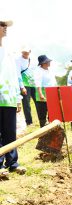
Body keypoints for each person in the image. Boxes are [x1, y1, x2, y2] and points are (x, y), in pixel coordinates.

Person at [0, 17, 26, 178]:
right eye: (2, 25)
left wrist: (17, 98)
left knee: (10, 132)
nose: (5, 28)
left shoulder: (9, 51)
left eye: (5, 26)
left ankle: (12, 162)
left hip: (8, 98)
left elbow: (14, 75)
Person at [15, 45, 36, 126]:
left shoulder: (32, 59)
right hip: (25, 84)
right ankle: (29, 122)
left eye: (27, 52)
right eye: (24, 52)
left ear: (29, 52)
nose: (25, 54)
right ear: (21, 52)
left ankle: (42, 119)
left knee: (38, 102)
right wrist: (22, 86)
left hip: (33, 83)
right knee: (26, 104)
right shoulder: (18, 60)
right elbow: (18, 74)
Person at [34, 55, 56, 127]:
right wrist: (40, 94)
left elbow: (53, 82)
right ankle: (43, 131)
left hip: (51, 92)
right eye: (47, 61)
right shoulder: (39, 71)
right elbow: (38, 83)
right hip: (42, 93)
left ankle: (51, 129)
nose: (49, 62)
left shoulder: (50, 70)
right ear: (42, 63)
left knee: (52, 112)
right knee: (42, 113)